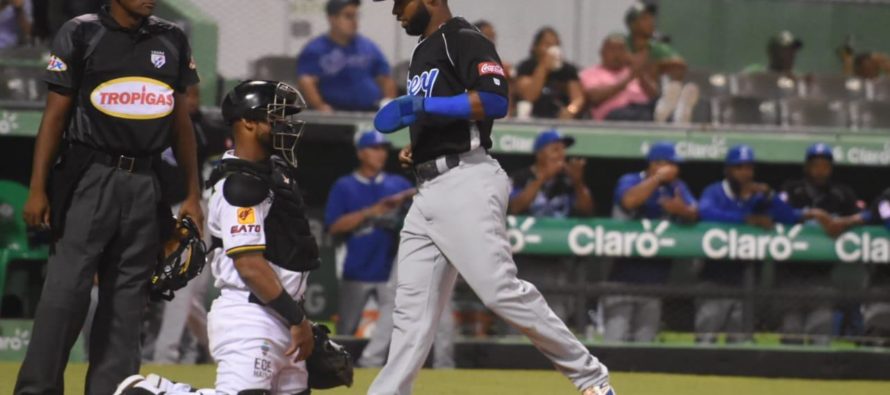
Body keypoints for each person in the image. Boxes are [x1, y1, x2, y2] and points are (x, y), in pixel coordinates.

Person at [368, 1, 614, 394]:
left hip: (466, 180)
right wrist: (421, 147)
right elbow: (442, 117)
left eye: (402, 1)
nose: (396, 10)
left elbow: (496, 100)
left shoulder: (464, 38)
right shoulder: (421, 51)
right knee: (410, 314)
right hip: (429, 187)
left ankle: (592, 379)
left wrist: (424, 106)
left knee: (499, 290)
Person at [15, 1, 203, 393]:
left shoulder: (171, 38)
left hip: (145, 180)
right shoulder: (82, 32)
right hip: (90, 175)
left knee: (127, 301)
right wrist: (37, 188)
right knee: (65, 294)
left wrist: (192, 193)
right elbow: (55, 116)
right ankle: (36, 389)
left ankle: (113, 389)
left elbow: (181, 122)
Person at [117, 80, 319, 395]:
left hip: (280, 311)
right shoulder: (240, 184)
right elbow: (249, 266)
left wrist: (300, 318)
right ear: (249, 121)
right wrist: (297, 319)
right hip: (251, 316)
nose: (285, 125)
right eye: (276, 117)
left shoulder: (270, 172)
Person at [326, 130, 453, 368]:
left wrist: (404, 201)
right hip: (357, 270)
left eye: (383, 149)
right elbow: (333, 227)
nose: (380, 154)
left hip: (389, 268)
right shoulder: (345, 186)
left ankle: (374, 363)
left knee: (395, 319)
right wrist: (372, 211)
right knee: (346, 330)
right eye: (374, 148)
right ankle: (337, 370)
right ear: (361, 153)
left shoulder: (398, 184)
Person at [695, 145, 825, 344]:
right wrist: (746, 219)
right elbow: (706, 213)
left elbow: (789, 217)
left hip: (746, 282)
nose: (745, 173)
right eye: (739, 168)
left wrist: (770, 196)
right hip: (714, 279)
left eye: (749, 168)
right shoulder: (714, 191)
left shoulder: (758, 197)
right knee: (705, 340)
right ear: (728, 170)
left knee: (740, 343)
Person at [604, 142, 697, 343]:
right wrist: (657, 178)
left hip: (656, 279)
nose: (675, 169)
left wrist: (682, 211)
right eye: (670, 164)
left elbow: (696, 212)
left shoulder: (676, 187)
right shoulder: (629, 180)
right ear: (655, 164)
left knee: (644, 344)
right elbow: (629, 201)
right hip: (621, 276)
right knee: (613, 341)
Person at [777, 143, 862, 345]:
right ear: (807, 167)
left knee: (821, 338)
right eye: (816, 165)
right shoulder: (791, 190)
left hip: (824, 277)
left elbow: (858, 220)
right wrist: (812, 215)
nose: (820, 170)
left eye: (825, 165)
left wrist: (841, 223)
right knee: (791, 336)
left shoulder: (842, 194)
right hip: (791, 274)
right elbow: (777, 213)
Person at [296, 0, 397, 112]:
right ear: (332, 19)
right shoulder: (315, 49)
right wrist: (320, 106)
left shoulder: (368, 47)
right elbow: (306, 82)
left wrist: (388, 106)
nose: (354, 21)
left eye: (356, 16)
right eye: (348, 16)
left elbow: (386, 79)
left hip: (369, 112)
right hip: (335, 114)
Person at [623, 2, 697, 123]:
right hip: (624, 94)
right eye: (644, 18)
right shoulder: (622, 44)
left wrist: (656, 66)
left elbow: (680, 65)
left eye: (652, 18)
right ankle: (672, 112)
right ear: (632, 24)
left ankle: (675, 110)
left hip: (650, 91)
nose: (651, 22)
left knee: (672, 79)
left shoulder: (657, 47)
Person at [509, 129, 594, 218]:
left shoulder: (568, 180)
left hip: (561, 230)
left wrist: (578, 183)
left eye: (563, 149)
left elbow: (588, 213)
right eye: (555, 149)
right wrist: (542, 177)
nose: (561, 155)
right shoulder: (519, 178)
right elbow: (513, 209)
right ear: (540, 154)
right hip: (527, 231)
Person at [580, 33, 659, 122]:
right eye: (612, 49)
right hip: (614, 114)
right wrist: (628, 79)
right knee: (645, 115)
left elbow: (654, 95)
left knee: (659, 108)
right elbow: (594, 98)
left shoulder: (633, 71)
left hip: (644, 108)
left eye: (621, 49)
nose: (617, 54)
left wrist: (639, 72)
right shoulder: (590, 73)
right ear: (602, 52)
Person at [515, 27, 585, 119]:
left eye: (556, 45)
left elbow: (578, 98)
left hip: (558, 118)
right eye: (547, 45)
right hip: (532, 116)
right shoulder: (526, 67)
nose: (552, 49)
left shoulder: (567, 70)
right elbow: (529, 95)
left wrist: (571, 110)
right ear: (536, 47)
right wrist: (543, 68)